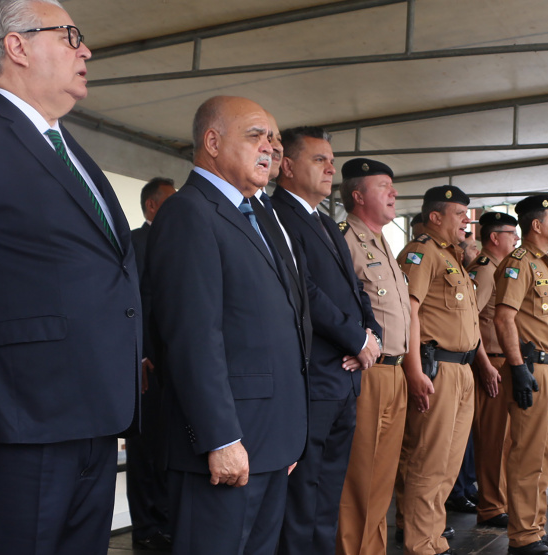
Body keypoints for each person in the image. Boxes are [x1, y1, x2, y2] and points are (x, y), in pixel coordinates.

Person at [0, 1, 141, 553]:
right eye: (70, 37)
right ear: (17, 46)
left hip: (94, 418)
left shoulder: (69, 149)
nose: (86, 51)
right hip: (18, 420)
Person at [147, 96, 310, 555]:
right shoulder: (189, 212)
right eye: (256, 135)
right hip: (227, 443)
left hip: (270, 440)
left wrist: (287, 435)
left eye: (272, 138)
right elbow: (192, 337)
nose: (270, 147)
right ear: (213, 142)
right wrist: (221, 438)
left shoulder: (256, 214)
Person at [273, 128, 383, 555]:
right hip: (315, 375)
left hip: (343, 376)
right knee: (303, 493)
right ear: (287, 166)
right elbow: (305, 289)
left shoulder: (323, 220)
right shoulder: (279, 215)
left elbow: (355, 289)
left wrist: (371, 335)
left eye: (331, 161)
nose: (330, 168)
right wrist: (355, 339)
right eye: (319, 159)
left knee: (327, 492)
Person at [395, 185, 482, 555]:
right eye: (459, 214)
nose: (466, 220)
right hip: (437, 369)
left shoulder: (452, 257)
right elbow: (408, 313)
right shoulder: (421, 252)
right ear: (434, 217)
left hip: (461, 369)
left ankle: (432, 536)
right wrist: (415, 371)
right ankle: (419, 542)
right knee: (427, 460)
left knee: (448, 464)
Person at [334, 158, 412, 555]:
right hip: (369, 373)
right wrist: (351, 344)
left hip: (396, 371)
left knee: (382, 479)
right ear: (358, 195)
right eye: (384, 186)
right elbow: (331, 303)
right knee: (359, 478)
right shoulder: (344, 239)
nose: (393, 193)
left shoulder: (384, 242)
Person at [494, 195, 548, 555]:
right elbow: (504, 318)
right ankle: (522, 536)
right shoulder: (519, 262)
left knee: (545, 457)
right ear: (536, 225)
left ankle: (536, 528)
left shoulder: (545, 265)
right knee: (527, 455)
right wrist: (517, 368)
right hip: (532, 368)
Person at [127, 177, 176, 551]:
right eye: (169, 202)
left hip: (173, 363)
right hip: (146, 366)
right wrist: (141, 354)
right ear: (152, 206)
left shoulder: (179, 240)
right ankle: (145, 527)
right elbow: (133, 302)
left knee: (167, 447)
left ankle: (167, 520)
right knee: (144, 450)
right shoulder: (135, 241)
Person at [465, 211, 520, 529]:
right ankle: (490, 505)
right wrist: (484, 364)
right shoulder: (484, 270)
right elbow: (468, 320)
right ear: (495, 237)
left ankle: (500, 501)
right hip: (491, 363)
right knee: (493, 438)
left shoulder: (502, 269)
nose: (516, 239)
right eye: (511, 234)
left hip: (504, 362)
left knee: (507, 439)